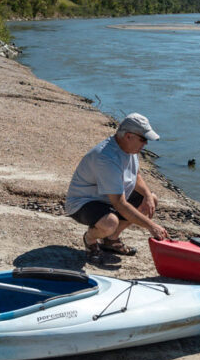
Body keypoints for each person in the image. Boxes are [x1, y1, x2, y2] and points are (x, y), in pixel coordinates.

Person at [66, 113, 169, 264]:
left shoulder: (129, 149)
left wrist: (147, 195)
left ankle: (110, 240)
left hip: (108, 198)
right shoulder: (106, 158)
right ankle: (90, 239)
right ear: (128, 136)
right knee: (110, 223)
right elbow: (119, 204)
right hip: (83, 202)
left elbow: (136, 175)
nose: (146, 144)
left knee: (151, 199)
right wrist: (152, 226)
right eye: (143, 139)